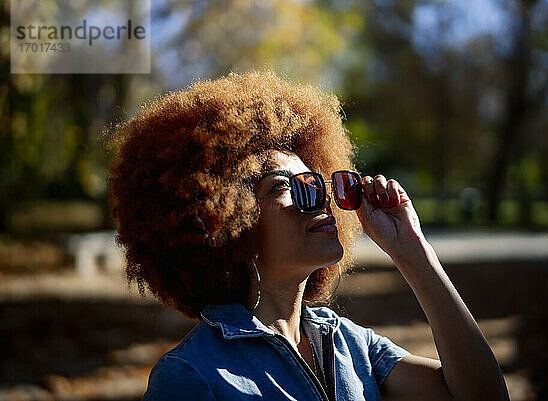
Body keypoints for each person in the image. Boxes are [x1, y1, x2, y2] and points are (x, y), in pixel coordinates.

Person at [108, 70, 509, 401]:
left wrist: (412, 251)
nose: (318, 199)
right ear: (225, 221)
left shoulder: (351, 346)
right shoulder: (191, 375)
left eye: (316, 182)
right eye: (283, 185)